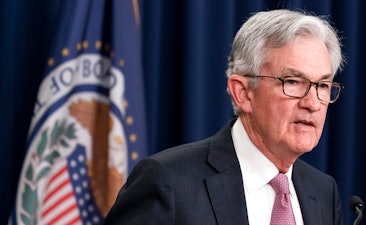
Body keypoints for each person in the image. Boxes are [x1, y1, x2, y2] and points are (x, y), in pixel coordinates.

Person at [104, 9, 345, 225]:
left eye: (322, 85)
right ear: (243, 93)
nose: (313, 103)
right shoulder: (168, 182)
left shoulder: (323, 192)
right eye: (292, 82)